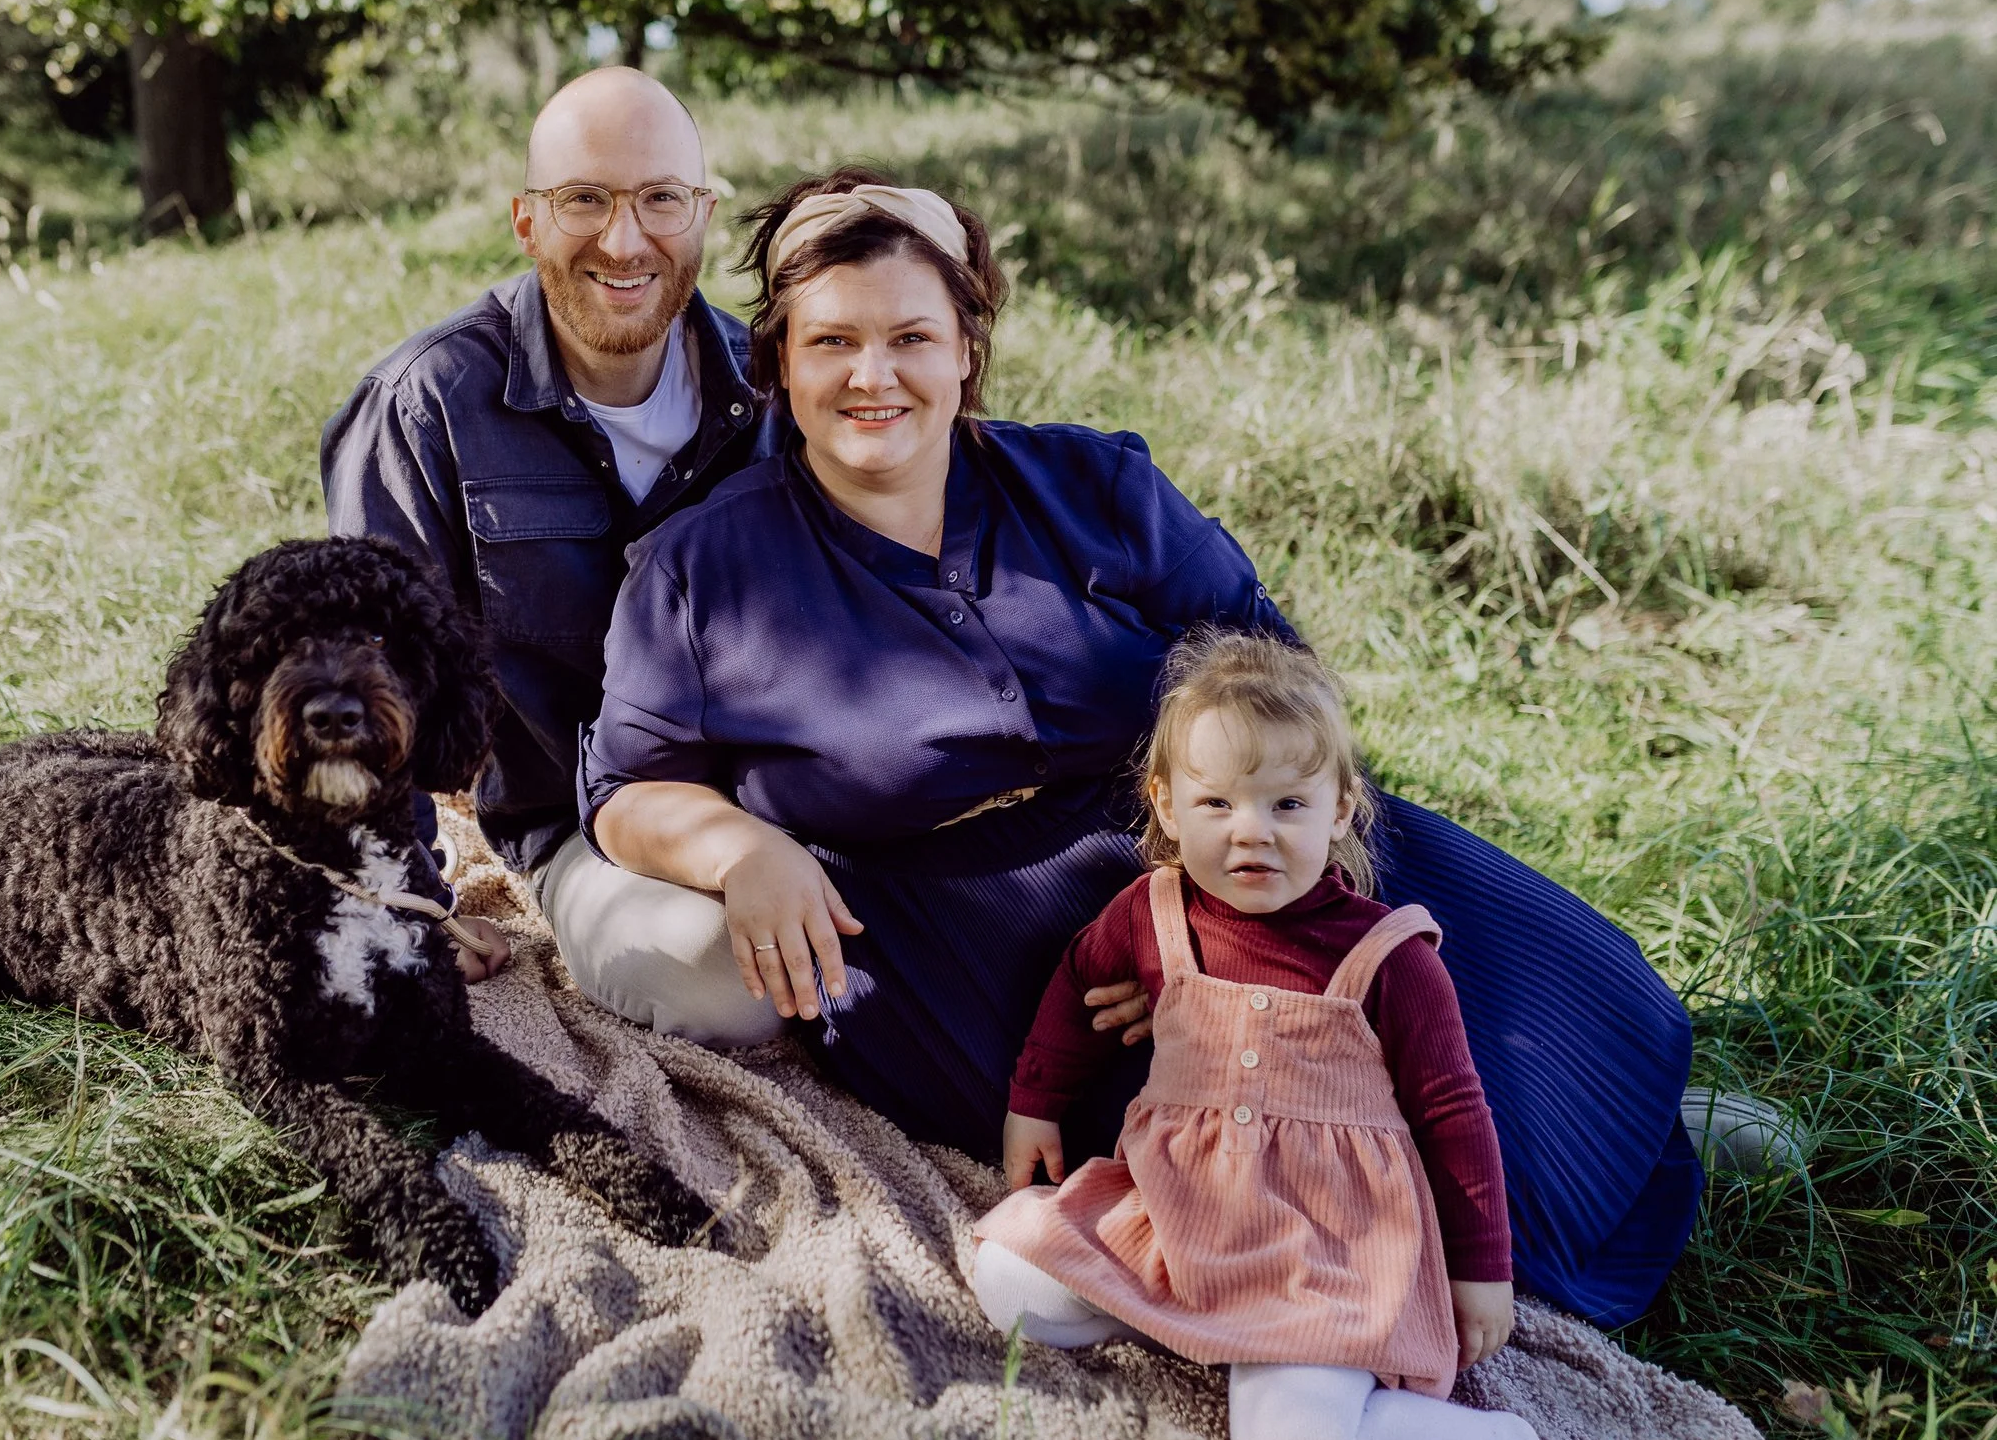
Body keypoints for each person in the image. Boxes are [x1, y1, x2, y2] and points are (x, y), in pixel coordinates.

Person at [576, 166, 1702, 1326]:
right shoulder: (702, 570)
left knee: (1531, 1000)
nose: (874, 375)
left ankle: (1649, 1126)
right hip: (968, 936)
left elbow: (1272, 659)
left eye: (912, 335)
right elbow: (625, 783)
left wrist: (1221, 862)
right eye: (831, 343)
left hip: (1213, 829)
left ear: (967, 348)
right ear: (776, 365)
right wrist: (739, 853)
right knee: (1301, 1127)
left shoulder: (1093, 482)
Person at [972, 630, 1540, 1440]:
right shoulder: (1151, 912)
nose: (1251, 833)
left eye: (1287, 805)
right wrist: (1035, 1103)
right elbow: (1074, 984)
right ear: (1166, 804)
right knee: (1009, 1280)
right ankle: (1214, 1328)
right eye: (1217, 804)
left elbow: (1454, 1112)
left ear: (1340, 808)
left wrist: (1480, 1270)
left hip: (1323, 1254)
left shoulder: (1388, 956)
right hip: (1178, 1215)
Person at [319, 66, 791, 1044]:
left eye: (661, 198)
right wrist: (406, 904)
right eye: (586, 199)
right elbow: (366, 682)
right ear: (527, 220)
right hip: (579, 826)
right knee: (730, 982)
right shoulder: (426, 404)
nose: (626, 240)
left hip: (784, 796)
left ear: (702, 214)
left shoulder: (778, 391)